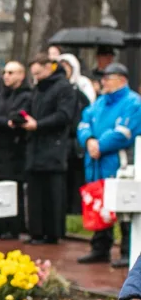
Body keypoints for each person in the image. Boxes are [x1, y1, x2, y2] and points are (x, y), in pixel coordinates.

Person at [76, 62, 141, 266]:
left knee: (123, 206)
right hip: (97, 162)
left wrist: (100, 145)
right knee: (99, 202)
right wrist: (88, 141)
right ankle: (100, 248)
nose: (103, 81)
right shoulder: (99, 102)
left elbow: (124, 133)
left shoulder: (133, 102)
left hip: (118, 162)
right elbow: (84, 123)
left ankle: (126, 250)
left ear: (122, 80)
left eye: (107, 77)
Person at [23, 53, 77, 245]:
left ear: (48, 67)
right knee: (36, 192)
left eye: (38, 72)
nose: (36, 77)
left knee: (52, 192)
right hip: (35, 147)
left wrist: (38, 124)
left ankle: (52, 232)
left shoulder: (63, 87)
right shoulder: (39, 88)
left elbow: (64, 115)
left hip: (53, 147)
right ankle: (36, 231)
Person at [0, 60, 33, 239]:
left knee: (13, 187)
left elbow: (15, 119)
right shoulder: (0, 94)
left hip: (15, 149)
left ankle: (14, 226)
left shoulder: (26, 95)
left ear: (21, 75)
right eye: (5, 72)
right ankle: (0, 225)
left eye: (11, 72)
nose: (6, 76)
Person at [59, 53, 95, 215]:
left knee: (77, 176)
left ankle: (77, 209)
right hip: (62, 139)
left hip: (76, 138)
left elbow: (88, 107)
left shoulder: (82, 86)